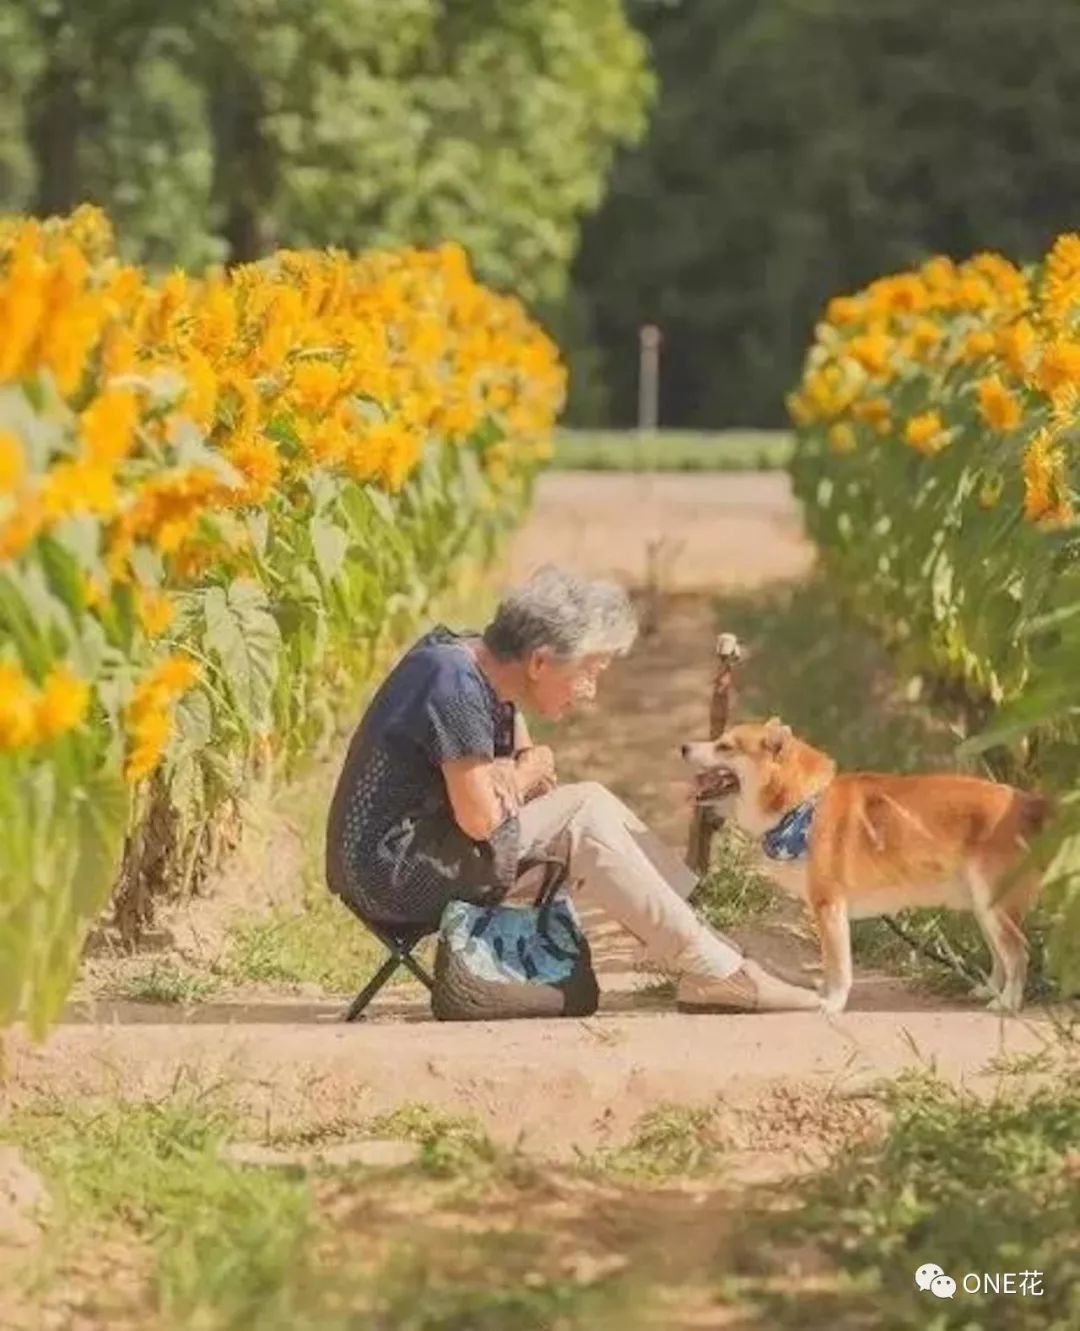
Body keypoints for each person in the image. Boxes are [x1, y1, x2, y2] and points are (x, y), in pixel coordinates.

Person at [326, 566, 819, 1013]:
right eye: (590, 672)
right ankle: (712, 968)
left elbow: (532, 782)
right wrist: (525, 770)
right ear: (540, 662)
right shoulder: (453, 683)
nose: (591, 692)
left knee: (590, 802)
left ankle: (693, 943)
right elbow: (484, 816)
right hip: (393, 872)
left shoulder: (483, 669)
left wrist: (517, 772)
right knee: (581, 812)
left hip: (426, 850)